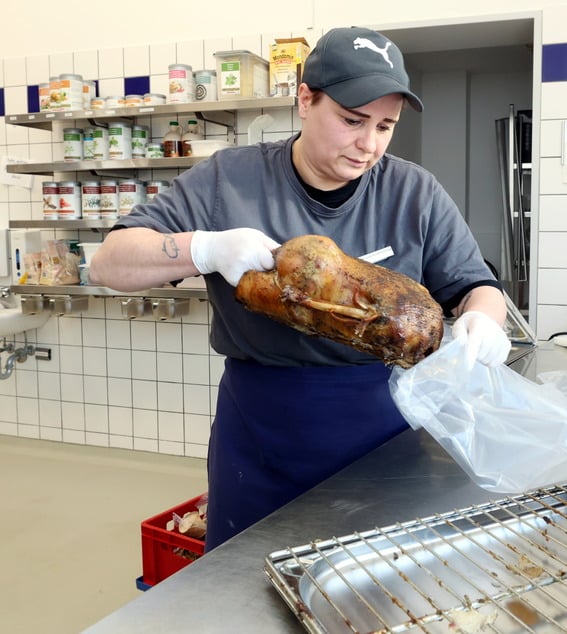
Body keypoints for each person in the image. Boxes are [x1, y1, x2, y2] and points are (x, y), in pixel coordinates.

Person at [89, 26, 510, 551]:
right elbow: (107, 264)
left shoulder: (413, 191)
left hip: (383, 425)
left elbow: (476, 287)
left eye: (385, 126)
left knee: (372, 584)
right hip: (263, 427)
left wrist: (483, 322)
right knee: (246, 582)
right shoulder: (227, 179)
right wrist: (202, 249)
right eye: (352, 120)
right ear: (305, 99)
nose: (369, 144)